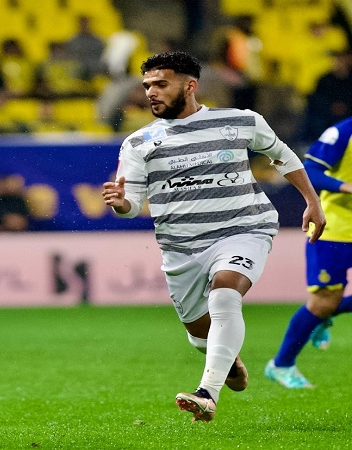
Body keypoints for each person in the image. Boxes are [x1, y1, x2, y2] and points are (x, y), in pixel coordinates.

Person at [102, 51, 325, 423]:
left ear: (190, 86)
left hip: (244, 228)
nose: (151, 92)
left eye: (161, 84)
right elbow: (132, 202)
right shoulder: (138, 143)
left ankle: (207, 393)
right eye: (147, 85)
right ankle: (227, 360)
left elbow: (282, 155)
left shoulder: (239, 121)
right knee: (199, 335)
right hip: (181, 247)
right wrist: (121, 203)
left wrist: (312, 201)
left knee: (225, 294)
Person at [265, 116, 352, 389]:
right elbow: (310, 171)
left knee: (326, 306)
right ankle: (281, 365)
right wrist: (346, 187)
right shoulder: (344, 132)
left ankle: (326, 315)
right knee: (323, 301)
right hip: (337, 230)